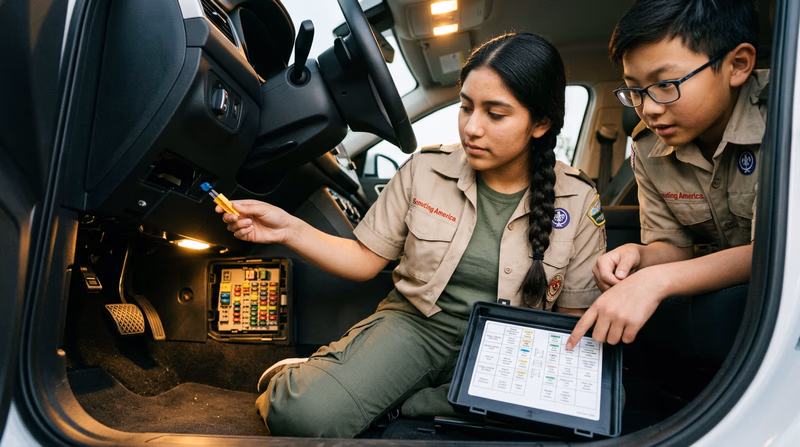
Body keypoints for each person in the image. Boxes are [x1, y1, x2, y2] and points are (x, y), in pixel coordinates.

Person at [219, 33, 607, 438]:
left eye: (496, 114)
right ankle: (320, 381)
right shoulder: (424, 169)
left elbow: (571, 322)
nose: (471, 128)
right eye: (466, 107)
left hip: (512, 347)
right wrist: (289, 228)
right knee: (303, 418)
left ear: (540, 123)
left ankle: (412, 402)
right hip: (418, 326)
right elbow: (363, 259)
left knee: (579, 413)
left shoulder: (578, 198)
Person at [568, 0, 765, 351]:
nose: (650, 109)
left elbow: (776, 249)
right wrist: (639, 256)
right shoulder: (647, 148)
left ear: (737, 65)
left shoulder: (786, 118)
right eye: (636, 91)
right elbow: (674, 247)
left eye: (666, 84)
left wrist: (657, 281)